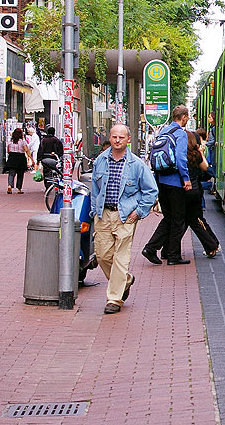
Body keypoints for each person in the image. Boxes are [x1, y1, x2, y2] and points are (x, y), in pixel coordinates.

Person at [91, 123, 158, 314]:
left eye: (121, 137)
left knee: (121, 257)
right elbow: (95, 190)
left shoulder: (137, 165)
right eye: (114, 137)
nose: (117, 140)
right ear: (109, 138)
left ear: (128, 140)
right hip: (103, 214)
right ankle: (125, 280)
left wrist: (138, 212)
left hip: (125, 216)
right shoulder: (100, 161)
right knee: (103, 255)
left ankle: (114, 298)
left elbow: (151, 191)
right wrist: (95, 211)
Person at [142, 105, 192, 265]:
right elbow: (181, 158)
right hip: (175, 182)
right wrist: (186, 178)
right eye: (187, 117)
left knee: (168, 218)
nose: (188, 120)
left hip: (161, 180)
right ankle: (173, 256)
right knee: (178, 219)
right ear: (183, 117)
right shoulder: (180, 134)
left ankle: (152, 248)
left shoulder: (163, 132)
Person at [185, 130, 220, 257]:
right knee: (194, 219)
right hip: (196, 190)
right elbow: (207, 169)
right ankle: (213, 243)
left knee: (194, 220)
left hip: (189, 191)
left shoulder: (184, 154)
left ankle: (212, 244)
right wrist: (201, 152)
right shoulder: (196, 154)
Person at [5, 127, 32, 194]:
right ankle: (19, 189)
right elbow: (26, 150)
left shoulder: (10, 141)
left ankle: (9, 186)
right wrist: (30, 157)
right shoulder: (23, 141)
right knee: (20, 174)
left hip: (12, 157)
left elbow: (8, 150)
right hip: (20, 158)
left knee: (11, 173)